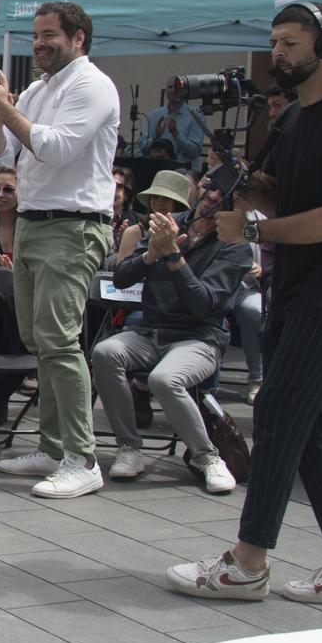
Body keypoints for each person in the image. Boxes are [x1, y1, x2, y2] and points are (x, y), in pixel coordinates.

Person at [170, 3, 322, 608]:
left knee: (276, 413)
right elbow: (278, 195)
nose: (278, 53)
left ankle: (248, 562)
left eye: (290, 42)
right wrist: (240, 179)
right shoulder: (294, 118)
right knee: (313, 420)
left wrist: (250, 233)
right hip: (294, 287)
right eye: (274, 41)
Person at [0, 2, 121, 500]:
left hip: (73, 226)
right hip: (36, 223)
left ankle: (82, 458)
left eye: (49, 36)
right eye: (36, 36)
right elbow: (2, 155)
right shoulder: (40, 89)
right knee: (39, 339)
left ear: (79, 38)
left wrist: (8, 112)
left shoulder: (92, 85)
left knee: (58, 341)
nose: (38, 44)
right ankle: (54, 445)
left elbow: (56, 148)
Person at [91, 170, 247, 493]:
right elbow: (121, 278)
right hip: (152, 330)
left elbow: (204, 304)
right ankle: (129, 448)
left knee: (164, 379)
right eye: (208, 190)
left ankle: (208, 457)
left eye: (222, 196)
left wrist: (174, 257)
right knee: (105, 352)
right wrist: (151, 255)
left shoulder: (234, 245)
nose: (213, 199)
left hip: (200, 338)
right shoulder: (169, 224)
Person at [139, 80, 209, 169]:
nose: (173, 90)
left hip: (184, 173)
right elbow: (143, 150)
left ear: (185, 91)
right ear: (166, 91)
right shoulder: (155, 115)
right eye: (170, 87)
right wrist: (155, 138)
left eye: (178, 87)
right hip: (157, 173)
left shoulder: (195, 115)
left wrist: (176, 133)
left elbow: (194, 152)